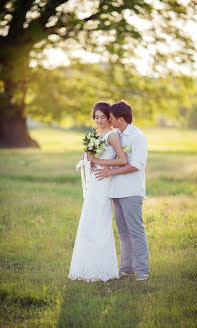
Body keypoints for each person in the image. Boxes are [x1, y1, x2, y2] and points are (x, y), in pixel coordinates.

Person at [68, 101, 127, 282]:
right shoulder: (97, 134)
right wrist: (89, 159)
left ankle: (103, 270)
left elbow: (123, 160)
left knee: (100, 222)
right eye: (97, 117)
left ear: (109, 117)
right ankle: (85, 267)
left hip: (103, 182)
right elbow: (94, 158)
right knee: (88, 221)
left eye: (103, 117)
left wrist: (98, 161)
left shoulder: (112, 136)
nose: (100, 120)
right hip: (94, 182)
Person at [93, 100, 149, 281]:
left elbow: (137, 165)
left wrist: (109, 171)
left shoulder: (138, 136)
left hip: (131, 190)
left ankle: (142, 271)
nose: (108, 119)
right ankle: (126, 268)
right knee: (123, 233)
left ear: (121, 119)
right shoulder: (116, 133)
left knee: (136, 231)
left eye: (111, 117)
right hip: (115, 190)